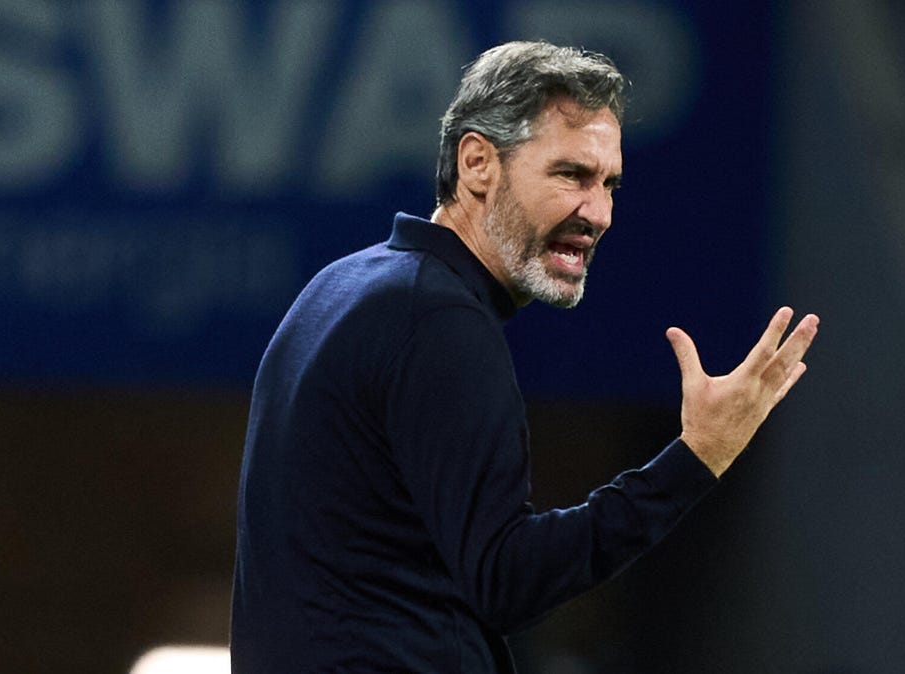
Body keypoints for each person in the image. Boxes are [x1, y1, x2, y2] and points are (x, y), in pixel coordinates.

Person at [230, 40, 818, 673]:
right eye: (571, 175)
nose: (597, 214)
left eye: (609, 184)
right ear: (478, 163)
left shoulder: (341, 288)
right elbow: (507, 579)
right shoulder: (438, 319)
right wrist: (697, 457)